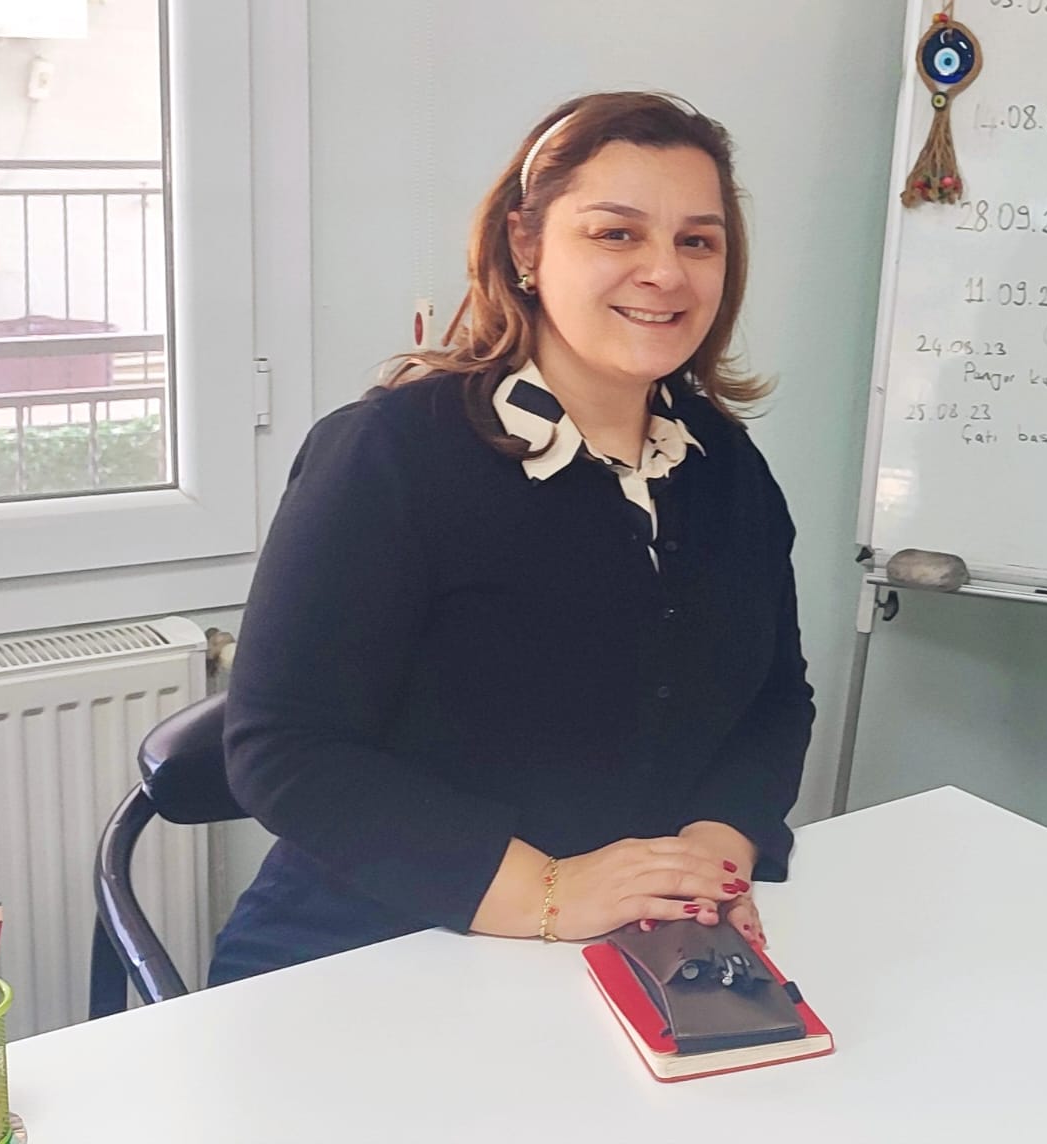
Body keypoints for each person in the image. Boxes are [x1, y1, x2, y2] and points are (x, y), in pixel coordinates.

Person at [212, 92, 812, 983]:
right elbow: (284, 751)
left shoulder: (724, 464)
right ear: (525, 246)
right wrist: (550, 893)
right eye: (615, 233)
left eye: (698, 241)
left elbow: (774, 700)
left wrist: (710, 858)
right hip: (372, 953)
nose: (665, 272)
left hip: (629, 947)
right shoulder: (389, 454)